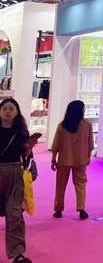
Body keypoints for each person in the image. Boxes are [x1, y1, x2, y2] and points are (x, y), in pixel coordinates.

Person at [0, 98, 39, 263]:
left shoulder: (22, 132)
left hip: (16, 173)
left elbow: (25, 156)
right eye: (4, 109)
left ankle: (18, 254)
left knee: (15, 213)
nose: (8, 111)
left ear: (17, 112)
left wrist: (29, 146)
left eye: (11, 109)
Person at [50, 100, 93, 220]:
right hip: (81, 159)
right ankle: (81, 208)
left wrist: (53, 160)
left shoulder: (62, 125)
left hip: (64, 159)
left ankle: (58, 209)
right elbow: (90, 144)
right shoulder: (87, 124)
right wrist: (88, 156)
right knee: (80, 184)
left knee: (60, 185)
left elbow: (56, 144)